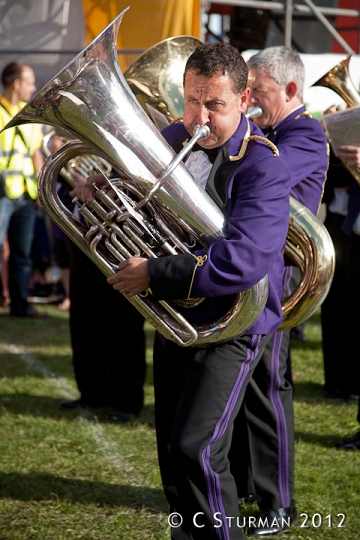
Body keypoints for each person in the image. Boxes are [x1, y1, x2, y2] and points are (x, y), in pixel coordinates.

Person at [83, 41, 292, 539]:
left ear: (245, 101)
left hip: (233, 321)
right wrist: (104, 184)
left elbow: (243, 259)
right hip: (178, 316)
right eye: (192, 100)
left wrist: (153, 272)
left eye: (215, 105)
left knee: (196, 446)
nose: (198, 117)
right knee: (171, 453)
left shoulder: (264, 165)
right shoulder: (174, 134)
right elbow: (137, 198)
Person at [229, 46, 329, 536]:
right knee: (246, 385)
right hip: (256, 267)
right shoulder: (268, 132)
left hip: (280, 273)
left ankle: (279, 503)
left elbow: (258, 179)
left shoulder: (304, 133)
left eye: (258, 92)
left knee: (268, 387)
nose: (248, 101)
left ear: (290, 90)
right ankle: (248, 484)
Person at [0, 61, 46, 317]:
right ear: (16, 84)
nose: (34, 87)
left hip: (25, 195)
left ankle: (20, 305)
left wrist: (41, 189)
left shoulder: (29, 116)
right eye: (30, 82)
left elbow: (35, 151)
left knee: (22, 253)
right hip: (2, 193)